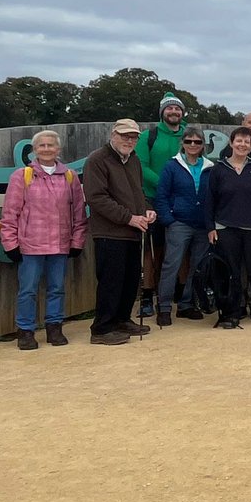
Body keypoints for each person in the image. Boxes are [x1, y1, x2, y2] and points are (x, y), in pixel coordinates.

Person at [1, 130, 87, 349]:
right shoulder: (22, 176)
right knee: (27, 290)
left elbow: (78, 212)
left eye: (51, 145)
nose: (47, 149)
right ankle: (26, 331)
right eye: (42, 146)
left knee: (57, 288)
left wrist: (77, 241)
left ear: (58, 149)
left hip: (60, 244)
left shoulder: (70, 176)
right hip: (30, 245)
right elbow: (10, 213)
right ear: (34, 150)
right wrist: (10, 243)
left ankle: (54, 328)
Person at [83, 120, 156, 345]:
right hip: (110, 232)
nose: (129, 140)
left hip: (133, 231)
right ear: (113, 135)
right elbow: (97, 199)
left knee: (130, 279)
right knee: (111, 281)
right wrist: (129, 218)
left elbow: (138, 193)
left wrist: (147, 209)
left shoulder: (133, 160)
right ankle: (102, 328)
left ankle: (122, 319)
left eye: (133, 137)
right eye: (125, 136)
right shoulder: (97, 160)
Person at [205, 125, 251, 328]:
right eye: (239, 140)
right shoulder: (218, 169)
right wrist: (210, 227)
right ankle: (232, 312)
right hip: (225, 227)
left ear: (250, 145)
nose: (242, 144)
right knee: (232, 273)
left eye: (246, 141)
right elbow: (210, 200)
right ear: (231, 143)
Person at [133, 91, 187, 317]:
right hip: (153, 198)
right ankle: (147, 296)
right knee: (153, 250)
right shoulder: (149, 136)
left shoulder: (189, 135)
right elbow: (141, 166)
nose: (173, 111)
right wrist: (167, 184)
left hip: (182, 199)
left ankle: (184, 296)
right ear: (162, 112)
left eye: (177, 108)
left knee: (183, 248)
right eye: (169, 108)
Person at [153, 125, 213, 326]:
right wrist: (168, 219)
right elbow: (161, 195)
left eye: (197, 141)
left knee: (196, 267)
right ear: (183, 143)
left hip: (203, 225)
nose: (193, 145)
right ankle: (164, 307)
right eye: (189, 141)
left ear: (203, 144)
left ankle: (187, 304)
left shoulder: (210, 167)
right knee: (172, 265)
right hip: (179, 222)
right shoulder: (172, 166)